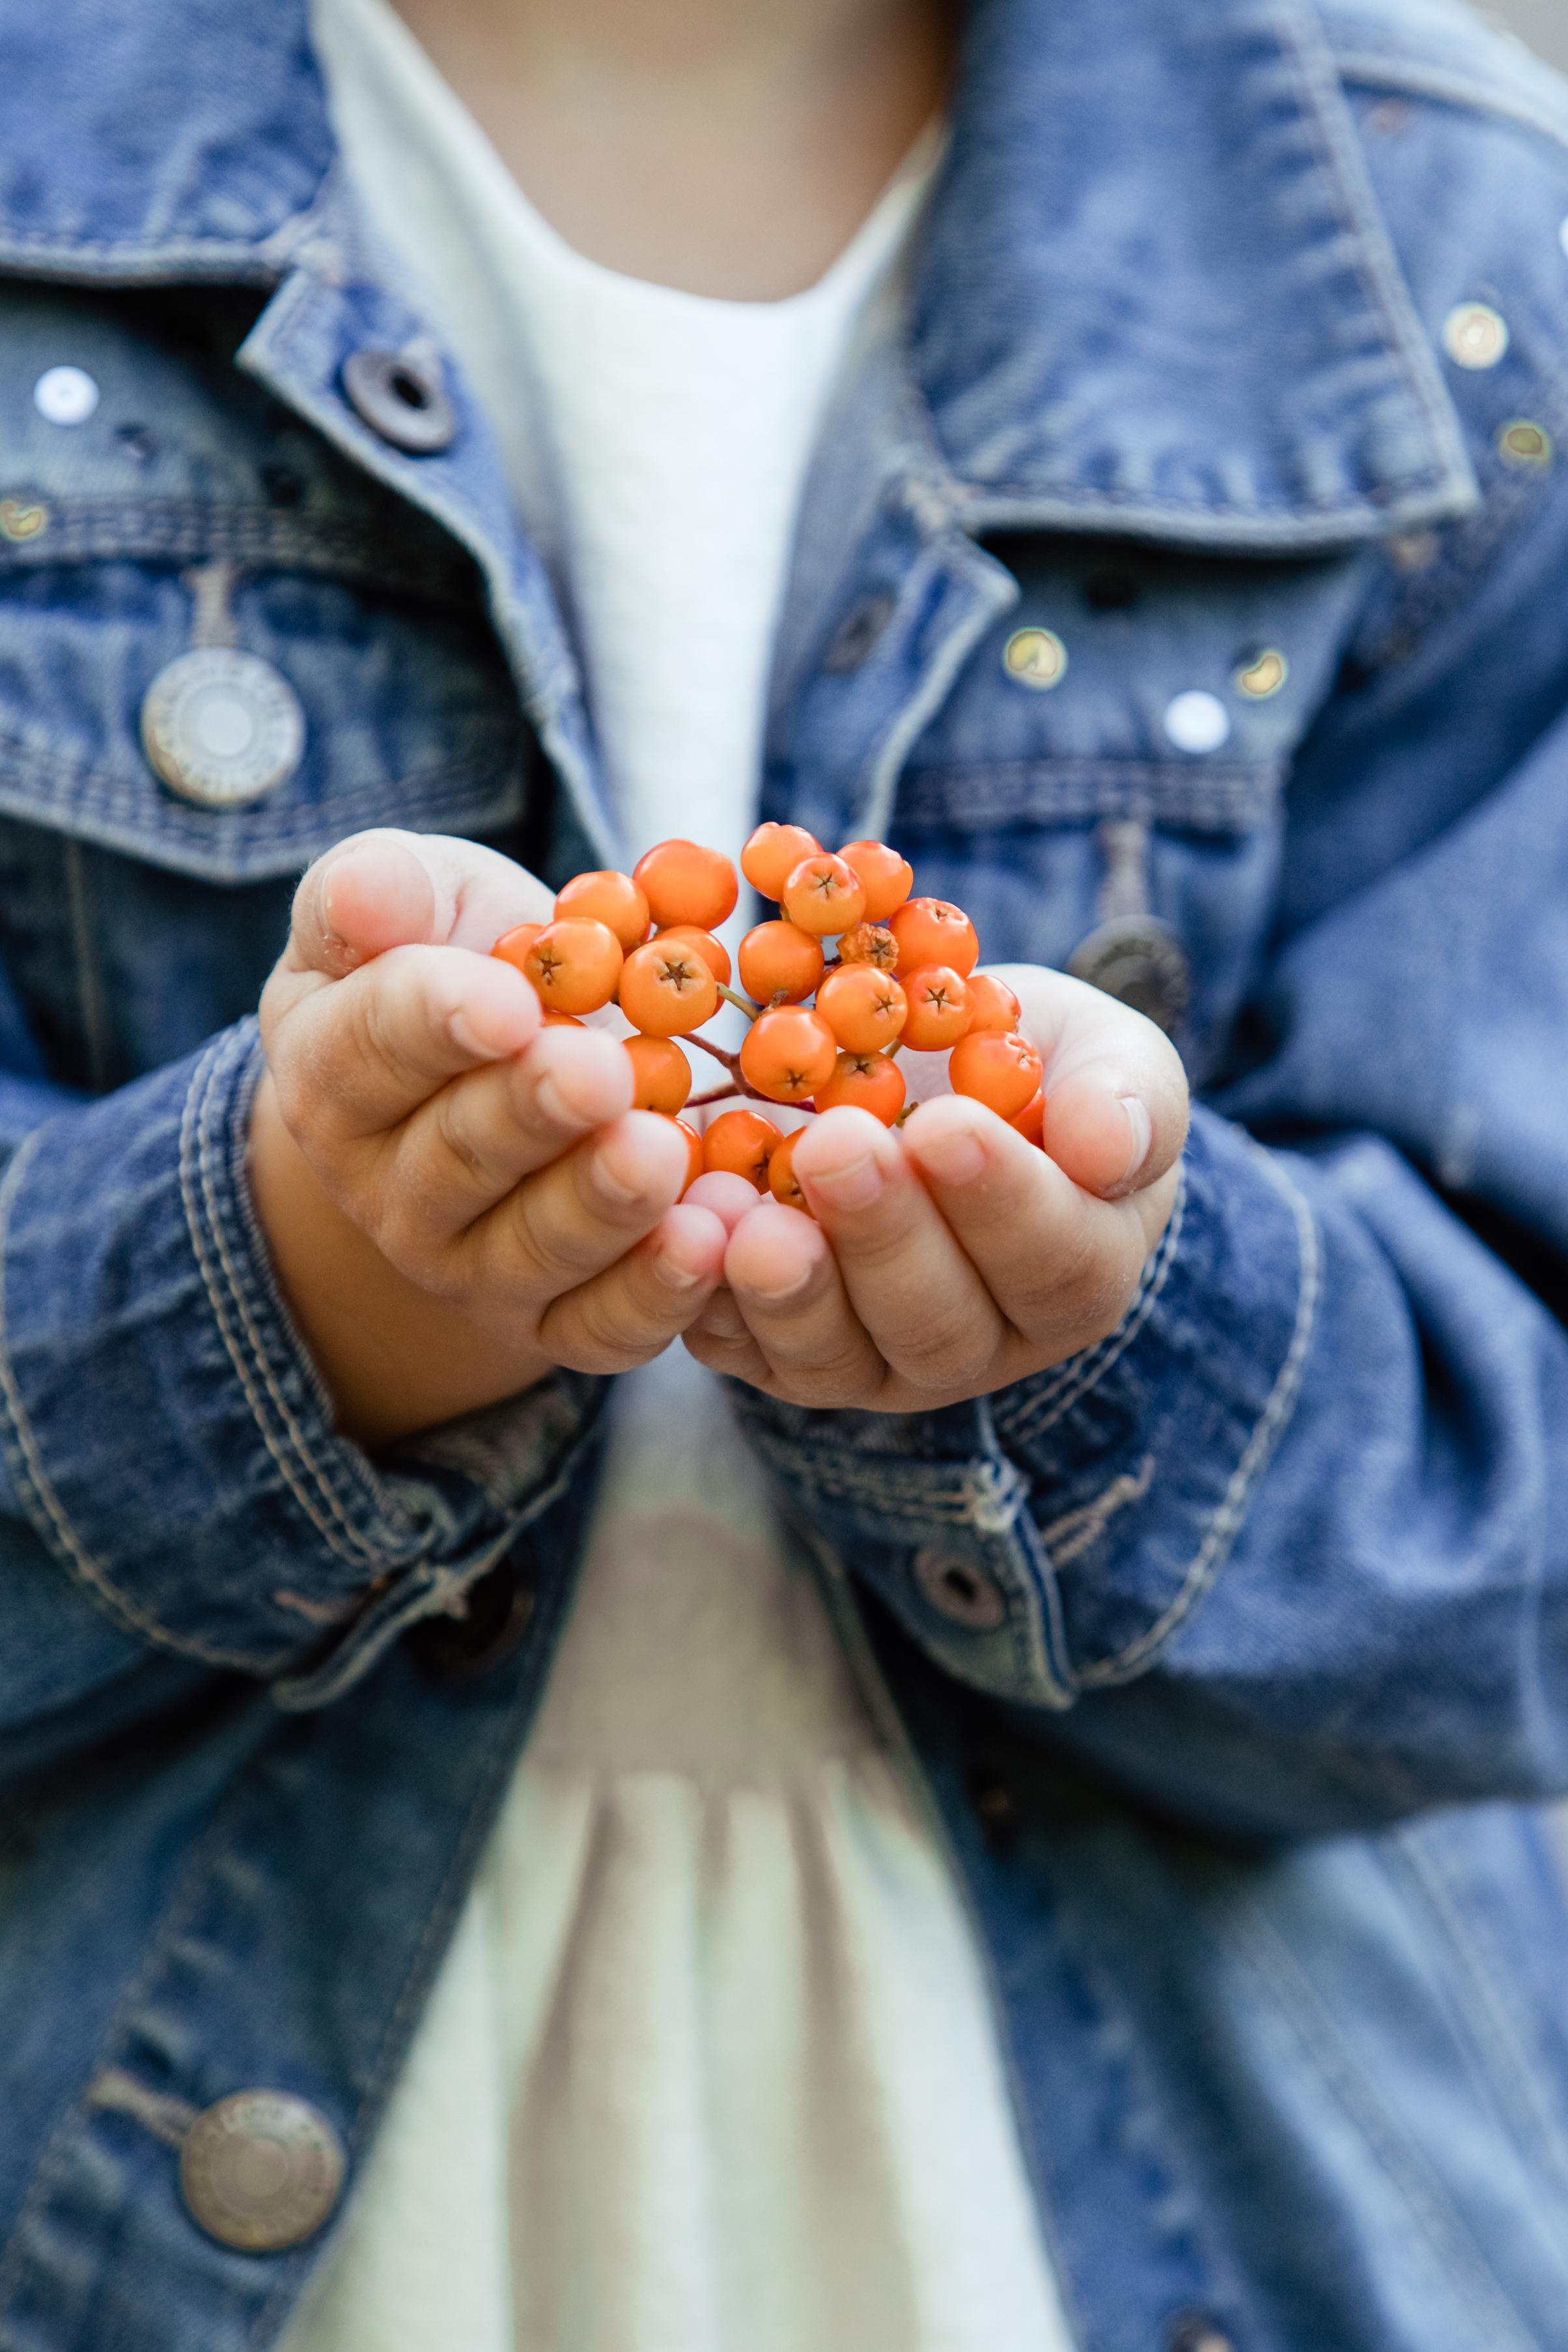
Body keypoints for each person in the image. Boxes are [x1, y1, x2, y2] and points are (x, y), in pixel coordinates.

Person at [1, 0, 1568, 2344]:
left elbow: (1508, 1544)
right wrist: (309, 1299)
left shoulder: (1457, 268)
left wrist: (1124, 1353)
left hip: (1159, 2188)